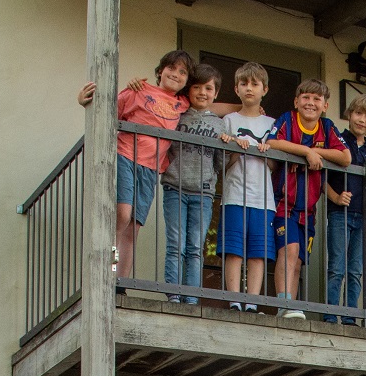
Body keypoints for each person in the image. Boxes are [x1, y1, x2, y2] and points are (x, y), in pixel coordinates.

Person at [78, 50, 191, 284]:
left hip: (150, 168)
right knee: (122, 214)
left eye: (183, 72)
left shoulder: (182, 104)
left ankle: (121, 282)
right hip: (125, 155)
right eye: (172, 68)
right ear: (160, 71)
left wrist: (253, 108)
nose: (176, 74)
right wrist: (83, 101)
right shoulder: (138, 90)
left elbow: (210, 104)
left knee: (134, 226)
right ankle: (104, 273)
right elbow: (106, 111)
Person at [265, 79, 350, 319]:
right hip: (284, 204)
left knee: (299, 259)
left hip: (308, 210)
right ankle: (284, 303)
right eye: (305, 98)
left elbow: (345, 157)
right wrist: (306, 151)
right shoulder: (287, 120)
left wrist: (316, 152)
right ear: (296, 102)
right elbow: (272, 142)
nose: (310, 103)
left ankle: (289, 307)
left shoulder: (327, 126)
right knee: (288, 251)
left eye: (316, 99)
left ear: (325, 105)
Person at [160, 62, 227, 305]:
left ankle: (192, 297)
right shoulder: (176, 114)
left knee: (196, 247)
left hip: (203, 192)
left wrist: (226, 145)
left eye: (208, 88)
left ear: (216, 93)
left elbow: (221, 162)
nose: (202, 93)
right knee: (175, 244)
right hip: (174, 187)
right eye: (197, 87)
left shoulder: (220, 124)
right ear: (188, 90)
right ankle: (174, 294)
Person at [218, 62, 277, 309]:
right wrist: (233, 148)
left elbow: (274, 166)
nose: (249, 88)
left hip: (264, 198)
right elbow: (221, 165)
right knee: (234, 250)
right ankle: (234, 299)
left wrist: (267, 153)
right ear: (236, 89)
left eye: (255, 84)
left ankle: (252, 302)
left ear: (265, 89)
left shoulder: (273, 123)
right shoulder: (228, 120)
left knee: (258, 252)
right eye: (244, 84)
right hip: (234, 194)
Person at [325, 92, 366, 323]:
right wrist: (336, 197)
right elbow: (321, 177)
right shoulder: (338, 141)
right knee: (337, 266)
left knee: (356, 269)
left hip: (364, 214)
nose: (362, 120)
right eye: (358, 113)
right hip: (340, 213)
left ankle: (350, 317)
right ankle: (330, 315)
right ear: (349, 114)